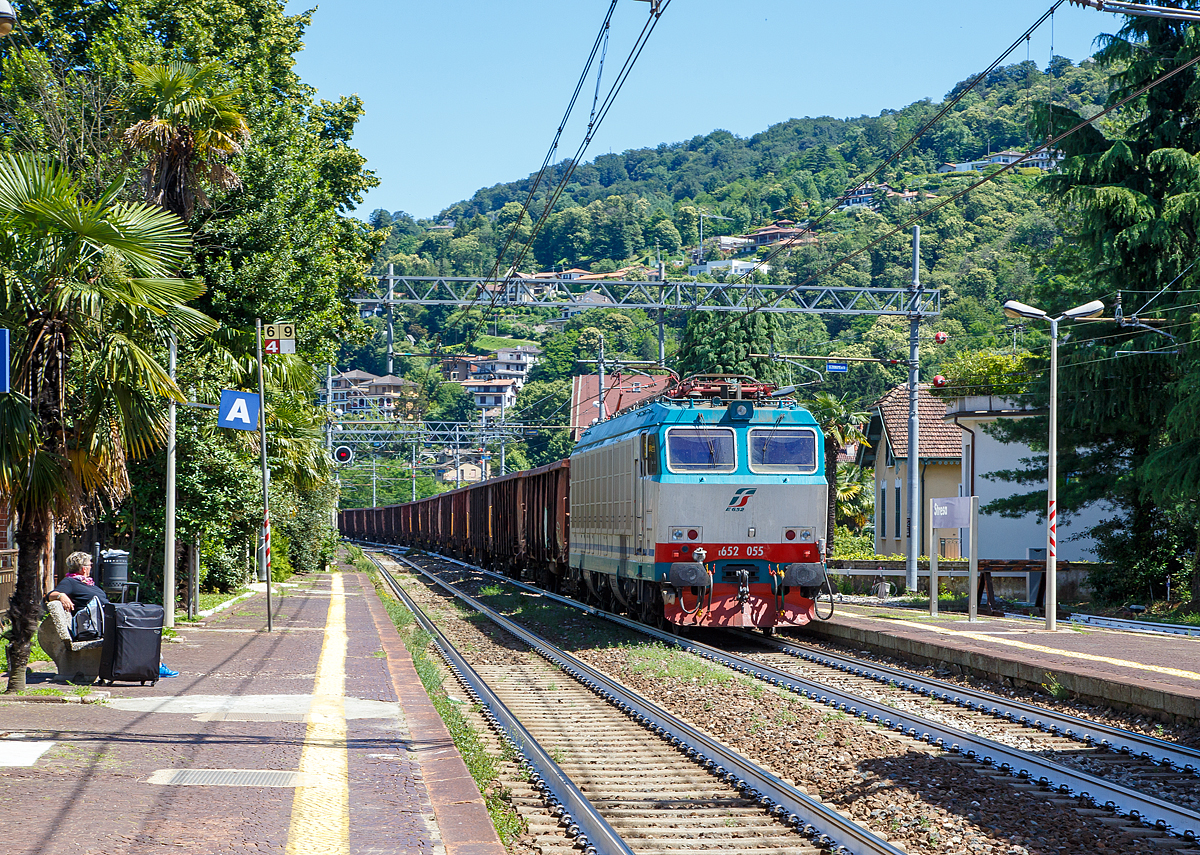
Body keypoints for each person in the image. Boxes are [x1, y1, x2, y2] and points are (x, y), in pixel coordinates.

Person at [46, 551, 178, 678]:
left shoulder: (86, 583)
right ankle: (156, 666)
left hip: (107, 621)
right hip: (97, 627)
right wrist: (61, 595)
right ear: (84, 568)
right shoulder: (70, 582)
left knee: (142, 626)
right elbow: (49, 596)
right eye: (90, 564)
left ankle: (153, 665)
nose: (91, 567)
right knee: (139, 630)